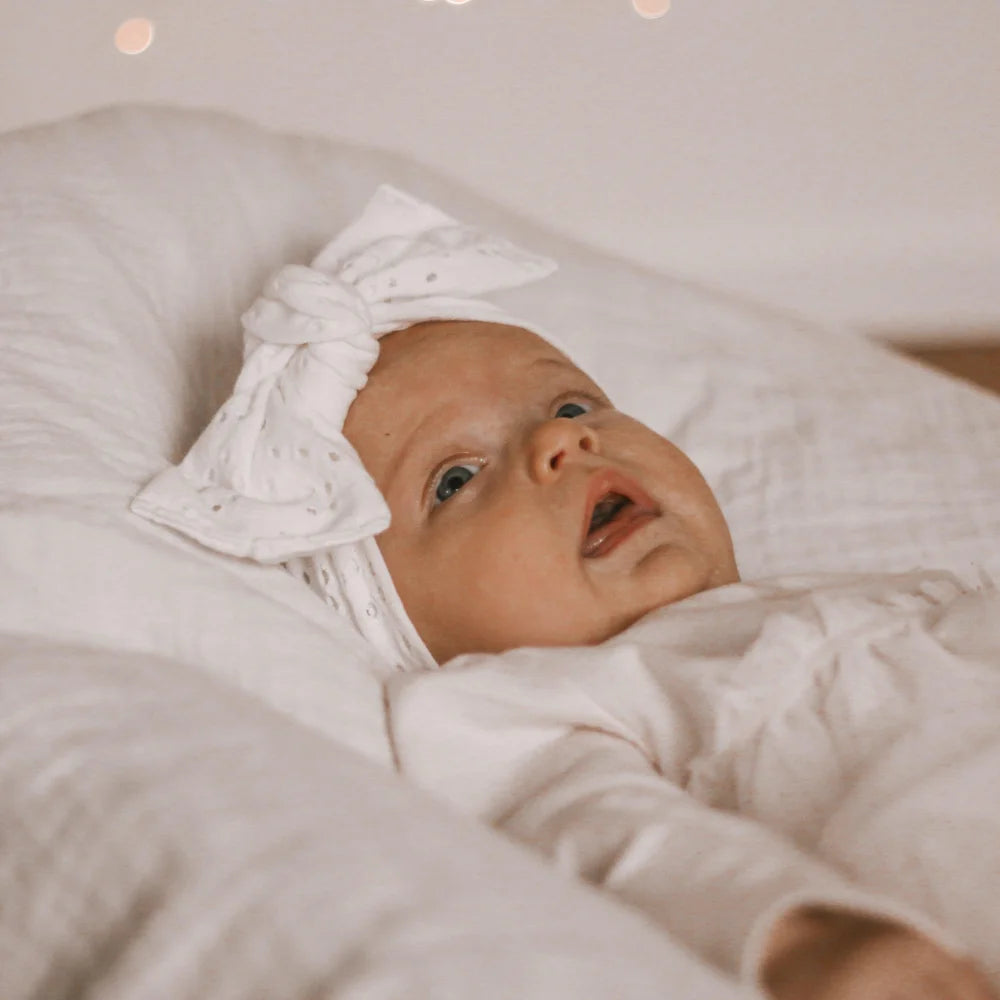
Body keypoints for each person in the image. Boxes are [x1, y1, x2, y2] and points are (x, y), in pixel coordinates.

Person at [132, 185, 1000, 1000]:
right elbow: (613, 840)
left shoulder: (855, 591)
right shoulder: (537, 707)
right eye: (456, 478)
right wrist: (807, 938)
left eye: (577, 407)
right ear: (405, 628)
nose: (560, 441)